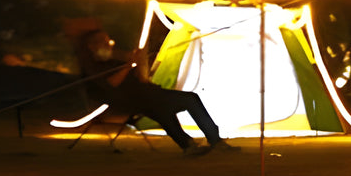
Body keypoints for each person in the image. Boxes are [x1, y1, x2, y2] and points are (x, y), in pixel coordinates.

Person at [76, 28, 239, 157]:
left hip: (146, 95)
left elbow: (141, 80)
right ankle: (211, 141)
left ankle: (189, 145)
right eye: (103, 42)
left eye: (108, 41)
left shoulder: (114, 61)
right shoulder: (92, 68)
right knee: (188, 99)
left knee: (161, 108)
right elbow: (111, 84)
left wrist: (139, 64)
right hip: (129, 100)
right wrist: (128, 66)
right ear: (91, 46)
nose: (109, 44)